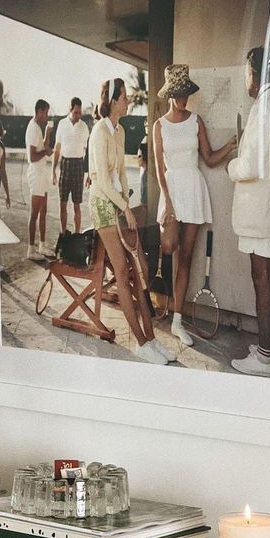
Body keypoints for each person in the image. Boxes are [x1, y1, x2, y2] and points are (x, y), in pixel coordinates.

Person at [89, 78, 174, 366]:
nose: (129, 101)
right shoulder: (100, 132)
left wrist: (127, 204)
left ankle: (151, 341)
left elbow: (122, 176)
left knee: (139, 273)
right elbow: (101, 181)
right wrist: (124, 207)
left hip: (119, 204)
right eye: (124, 97)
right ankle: (141, 343)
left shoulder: (121, 130)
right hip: (102, 206)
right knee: (124, 274)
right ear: (113, 100)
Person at [227, 46, 270, 377]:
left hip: (260, 211)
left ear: (254, 72)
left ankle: (265, 358)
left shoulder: (265, 105)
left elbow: (251, 165)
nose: (245, 80)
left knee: (262, 281)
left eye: (245, 72)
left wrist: (231, 166)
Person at [153, 64, 236, 346]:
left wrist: (232, 144)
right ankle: (163, 304)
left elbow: (210, 158)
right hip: (172, 191)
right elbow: (158, 169)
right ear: (169, 95)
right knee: (168, 246)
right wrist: (167, 204)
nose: (182, 99)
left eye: (185, 93)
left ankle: (177, 321)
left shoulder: (196, 121)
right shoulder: (158, 126)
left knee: (187, 258)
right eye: (177, 94)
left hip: (194, 189)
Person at [52, 97, 90, 234]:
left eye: (80, 113)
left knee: (77, 205)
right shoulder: (62, 124)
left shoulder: (84, 127)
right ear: (70, 110)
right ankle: (63, 234)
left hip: (78, 165)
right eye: (75, 112)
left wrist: (89, 173)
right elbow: (57, 148)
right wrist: (53, 170)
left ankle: (77, 234)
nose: (78, 116)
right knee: (62, 203)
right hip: (65, 164)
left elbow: (88, 152)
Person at [25, 100, 55, 261]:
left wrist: (48, 134)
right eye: (46, 112)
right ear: (39, 111)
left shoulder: (38, 128)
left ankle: (42, 245)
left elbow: (42, 147)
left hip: (42, 174)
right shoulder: (32, 128)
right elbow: (32, 156)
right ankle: (31, 249)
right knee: (34, 213)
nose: (47, 115)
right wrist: (46, 152)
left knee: (43, 211)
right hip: (36, 174)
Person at [0, 117, 10, 214]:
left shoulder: (1, 147)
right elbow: (3, 172)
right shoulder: (0, 147)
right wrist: (7, 195)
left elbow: (2, 172)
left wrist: (7, 194)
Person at [137, 119, 149, 207]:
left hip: (149, 168)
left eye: (148, 126)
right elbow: (139, 159)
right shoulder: (144, 140)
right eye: (146, 126)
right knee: (144, 192)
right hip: (145, 169)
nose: (147, 128)